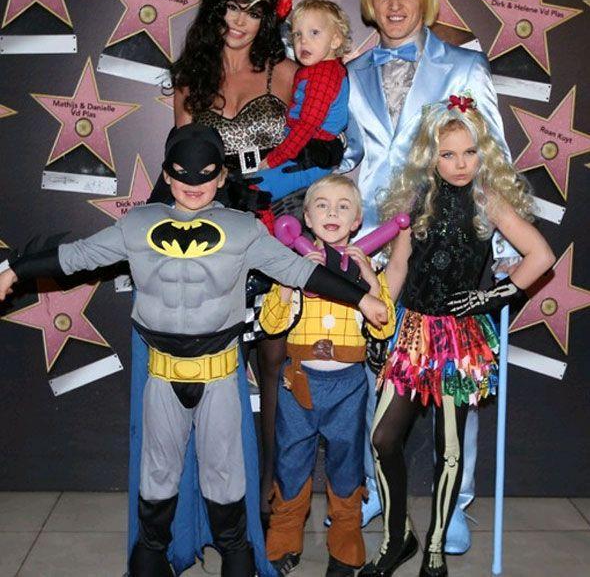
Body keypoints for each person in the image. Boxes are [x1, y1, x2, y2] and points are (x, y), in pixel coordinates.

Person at [0, 124, 388, 577]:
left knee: (225, 474)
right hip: (163, 372)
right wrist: (15, 271)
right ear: (167, 174)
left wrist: (362, 298)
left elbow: (300, 271)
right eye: (183, 173)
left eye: (206, 174)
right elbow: (77, 256)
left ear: (221, 176)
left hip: (218, 372)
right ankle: (151, 554)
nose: (194, 183)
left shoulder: (242, 230)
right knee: (158, 472)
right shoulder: (138, 225)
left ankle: (235, 554)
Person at [151, 0, 346, 527]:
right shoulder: (190, 79)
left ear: (270, 16)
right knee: (212, 379)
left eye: (255, 10)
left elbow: (325, 150)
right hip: (211, 241)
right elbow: (179, 167)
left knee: (277, 372)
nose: (240, 21)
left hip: (277, 233)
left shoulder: (287, 73)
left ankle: (270, 505)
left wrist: (290, 187)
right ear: (215, 8)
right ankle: (215, 506)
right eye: (231, 6)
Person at [340, 0, 509, 543]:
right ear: (369, 1)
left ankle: (455, 504)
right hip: (372, 245)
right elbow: (348, 157)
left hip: (447, 245)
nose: (394, 5)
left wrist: (503, 251)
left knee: (453, 378)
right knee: (374, 374)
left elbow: (492, 157)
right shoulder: (350, 74)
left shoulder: (464, 66)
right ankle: (375, 489)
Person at [358, 97, 555, 577]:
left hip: (458, 341)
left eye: (469, 152)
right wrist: (380, 318)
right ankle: (397, 537)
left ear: (482, 152)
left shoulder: (488, 199)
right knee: (383, 438)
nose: (461, 164)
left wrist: (491, 298)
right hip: (412, 333)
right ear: (430, 155)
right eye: (448, 154)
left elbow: (541, 256)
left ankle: (436, 547)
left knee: (449, 450)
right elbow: (399, 266)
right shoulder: (416, 199)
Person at [260, 174, 396, 577]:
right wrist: (292, 279)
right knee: (290, 462)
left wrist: (370, 282)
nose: (332, 213)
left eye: (342, 207)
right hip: (298, 383)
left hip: (347, 387)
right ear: (306, 217)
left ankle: (346, 546)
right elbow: (270, 323)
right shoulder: (295, 265)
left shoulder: (367, 269)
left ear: (357, 221)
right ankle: (283, 540)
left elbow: (384, 327)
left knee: (347, 466)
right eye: (322, 205)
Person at [249, 0, 352, 203]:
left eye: (314, 33)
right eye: (297, 34)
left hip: (311, 156)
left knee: (257, 190)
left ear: (335, 40)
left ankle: (266, 223)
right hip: (299, 146)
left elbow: (307, 124)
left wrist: (276, 158)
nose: (303, 41)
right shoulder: (317, 70)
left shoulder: (324, 75)